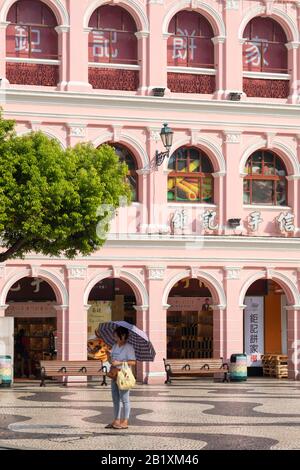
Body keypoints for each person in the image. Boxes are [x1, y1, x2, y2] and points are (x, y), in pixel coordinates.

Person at [105, 326, 136, 430]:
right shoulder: (114, 346)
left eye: (116, 335)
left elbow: (133, 362)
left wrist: (120, 362)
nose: (114, 337)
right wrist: (108, 356)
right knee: (115, 399)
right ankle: (116, 419)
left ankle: (125, 421)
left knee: (125, 399)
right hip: (114, 374)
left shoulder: (129, 347)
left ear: (122, 336)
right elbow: (112, 361)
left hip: (123, 375)